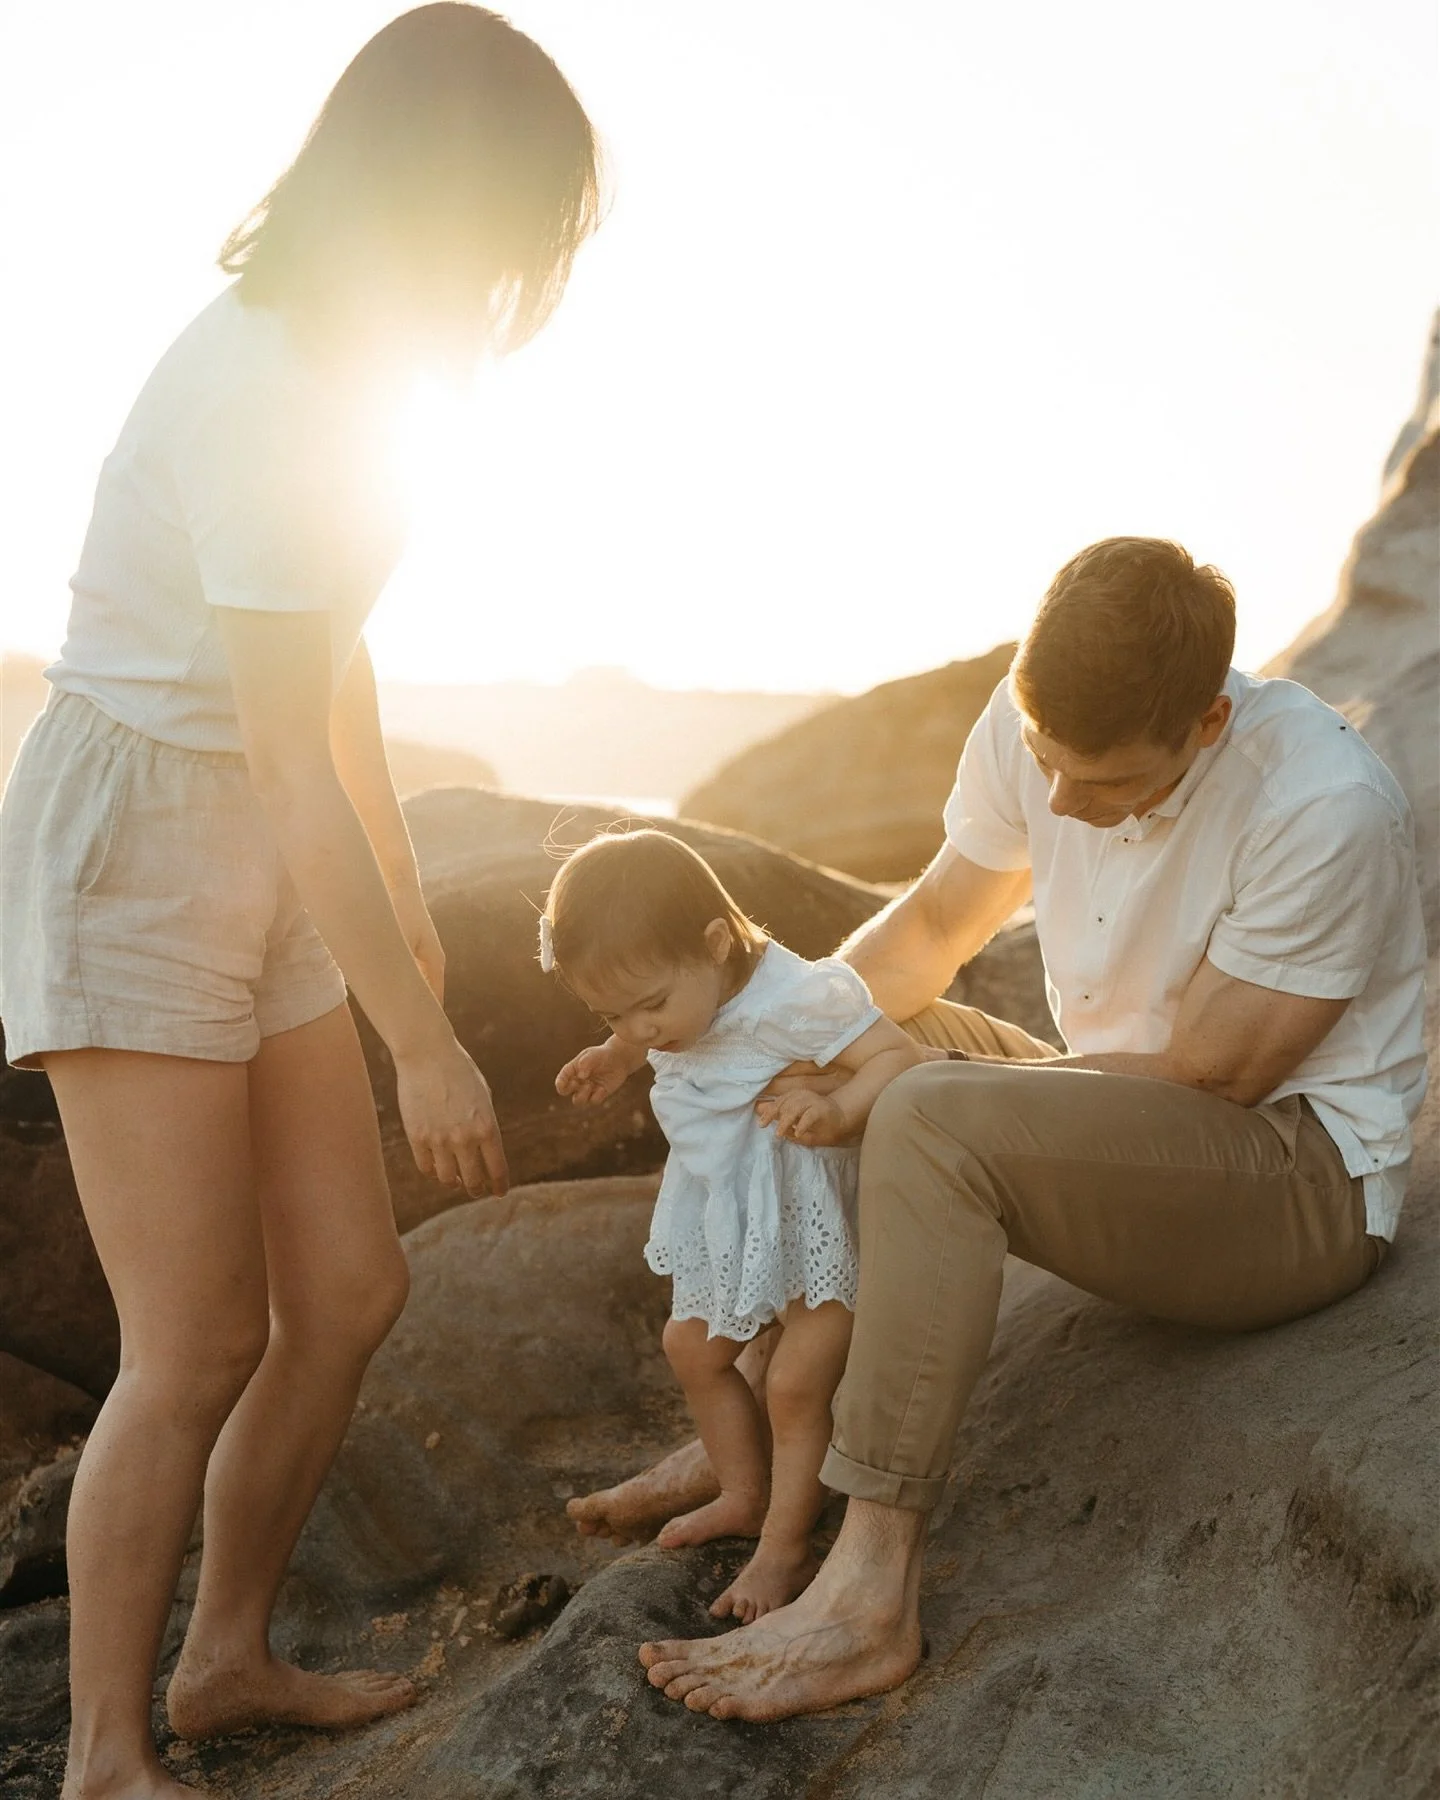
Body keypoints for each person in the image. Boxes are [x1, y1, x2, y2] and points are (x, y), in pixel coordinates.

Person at [0, 9, 601, 1797]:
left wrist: (401, 875)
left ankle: (227, 1658)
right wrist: (420, 1040)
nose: (519, 270)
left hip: (262, 826)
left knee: (344, 1289)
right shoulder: (268, 383)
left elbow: (326, 639)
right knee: (190, 1346)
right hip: (137, 844)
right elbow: (269, 746)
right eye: (516, 221)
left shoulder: (361, 365)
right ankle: (107, 1755)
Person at [629, 536, 1428, 1720]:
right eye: (1048, 762)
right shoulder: (1031, 719)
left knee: (926, 1114)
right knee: (846, 1053)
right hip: (1122, 1104)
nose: (1060, 800)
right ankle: (752, 1407)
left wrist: (915, 1094)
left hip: (1292, 1177)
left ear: (1207, 722)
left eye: (1100, 782)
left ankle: (867, 1596)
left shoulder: (1324, 805)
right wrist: (777, 1047)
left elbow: (1215, 1073)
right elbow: (941, 919)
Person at [543, 830, 922, 1621]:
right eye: (614, 1012)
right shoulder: (676, 1005)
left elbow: (901, 1058)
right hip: (742, 1215)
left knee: (791, 1384)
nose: (644, 1029)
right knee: (690, 1347)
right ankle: (745, 1496)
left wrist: (838, 1106)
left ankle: (785, 1545)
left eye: (649, 1006)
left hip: (823, 1227)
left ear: (716, 943)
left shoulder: (799, 999)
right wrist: (614, 1056)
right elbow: (642, 1022)